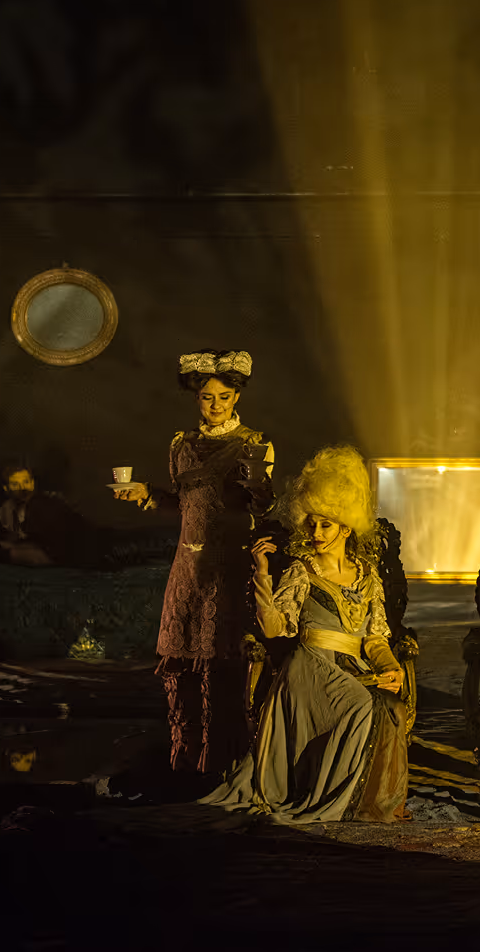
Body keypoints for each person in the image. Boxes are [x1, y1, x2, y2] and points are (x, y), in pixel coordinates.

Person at [202, 444, 409, 823]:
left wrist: (391, 666)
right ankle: (328, 798)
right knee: (361, 704)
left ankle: (364, 803)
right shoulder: (301, 571)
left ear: (346, 526)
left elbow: (375, 636)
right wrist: (262, 572)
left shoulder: (368, 576)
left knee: (388, 705)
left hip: (353, 665)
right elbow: (274, 627)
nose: (315, 531)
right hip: (309, 669)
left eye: (325, 523)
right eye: (310, 522)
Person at [112, 349, 275, 777]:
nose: (216, 404)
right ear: (196, 398)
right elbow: (185, 505)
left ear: (236, 397)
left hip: (228, 566)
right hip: (187, 567)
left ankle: (224, 763)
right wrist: (146, 494)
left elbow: (265, 506)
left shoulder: (254, 444)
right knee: (183, 669)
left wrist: (258, 483)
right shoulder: (181, 445)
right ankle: (185, 762)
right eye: (207, 397)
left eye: (223, 397)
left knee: (224, 667)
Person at [0, 464, 105, 568]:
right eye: (15, 484)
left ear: (32, 483)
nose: (23, 488)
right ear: (6, 488)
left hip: (78, 549)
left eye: (26, 482)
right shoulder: (8, 509)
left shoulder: (43, 503)